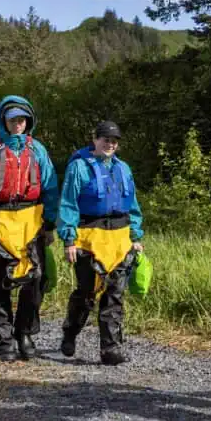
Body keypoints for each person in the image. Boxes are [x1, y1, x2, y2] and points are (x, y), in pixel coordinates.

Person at [0, 96, 60, 362]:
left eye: (21, 119)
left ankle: (24, 333)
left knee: (36, 280)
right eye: (12, 119)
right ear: (3, 120)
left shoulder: (37, 150)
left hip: (30, 222)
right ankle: (4, 338)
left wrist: (50, 224)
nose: (17, 124)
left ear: (28, 121)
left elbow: (50, 188)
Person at [57, 121, 144, 365]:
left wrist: (135, 237)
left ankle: (110, 350)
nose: (110, 144)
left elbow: (133, 205)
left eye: (114, 141)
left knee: (114, 295)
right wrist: (69, 240)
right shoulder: (79, 168)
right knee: (87, 293)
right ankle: (70, 332)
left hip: (119, 237)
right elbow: (68, 205)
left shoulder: (123, 169)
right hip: (89, 236)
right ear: (94, 139)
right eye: (105, 139)